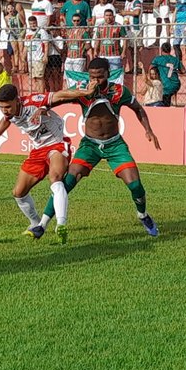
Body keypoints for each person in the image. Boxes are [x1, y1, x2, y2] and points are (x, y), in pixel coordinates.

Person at [30, 57, 161, 239]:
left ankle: (143, 215)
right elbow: (61, 98)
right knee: (66, 183)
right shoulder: (84, 89)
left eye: (99, 77)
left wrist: (149, 131)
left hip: (114, 145)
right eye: (92, 77)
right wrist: (45, 107)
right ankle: (42, 225)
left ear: (108, 74)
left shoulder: (118, 91)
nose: (95, 81)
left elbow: (138, 108)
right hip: (90, 145)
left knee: (136, 185)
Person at [0, 83, 98, 243]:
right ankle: (35, 223)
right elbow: (6, 120)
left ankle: (61, 224)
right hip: (38, 151)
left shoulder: (33, 101)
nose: (5, 110)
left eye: (7, 106)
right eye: (1, 107)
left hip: (56, 144)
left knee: (55, 178)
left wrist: (86, 92)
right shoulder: (10, 112)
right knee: (18, 192)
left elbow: (60, 95)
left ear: (17, 100)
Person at [151, 42, 184, 106]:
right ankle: (173, 102)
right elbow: (183, 71)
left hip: (165, 85)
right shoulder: (175, 59)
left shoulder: (158, 59)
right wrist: (176, 71)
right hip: (175, 84)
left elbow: (150, 68)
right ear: (170, 50)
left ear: (161, 49)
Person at [23, 16, 50, 93]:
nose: (32, 25)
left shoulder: (41, 31)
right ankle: (38, 93)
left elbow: (46, 44)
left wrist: (45, 55)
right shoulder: (28, 33)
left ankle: (41, 95)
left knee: (40, 77)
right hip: (30, 59)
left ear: (36, 22)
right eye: (31, 24)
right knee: (34, 78)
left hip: (39, 58)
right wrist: (23, 56)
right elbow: (26, 45)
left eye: (34, 23)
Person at [94, 9, 126, 73]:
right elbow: (97, 40)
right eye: (107, 15)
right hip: (102, 55)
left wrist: (123, 52)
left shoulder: (119, 26)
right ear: (104, 16)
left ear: (113, 16)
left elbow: (125, 39)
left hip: (115, 55)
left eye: (110, 15)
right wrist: (95, 50)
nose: (108, 17)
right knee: (103, 75)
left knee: (115, 75)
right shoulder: (100, 26)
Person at [6, 3, 26, 73]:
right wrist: (7, 30)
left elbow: (24, 24)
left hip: (19, 34)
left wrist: (23, 33)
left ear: (14, 8)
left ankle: (23, 67)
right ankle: (16, 66)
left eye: (11, 8)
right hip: (12, 35)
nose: (10, 10)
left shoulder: (18, 15)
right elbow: (7, 27)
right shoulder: (6, 17)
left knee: (21, 51)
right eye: (8, 9)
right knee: (15, 51)